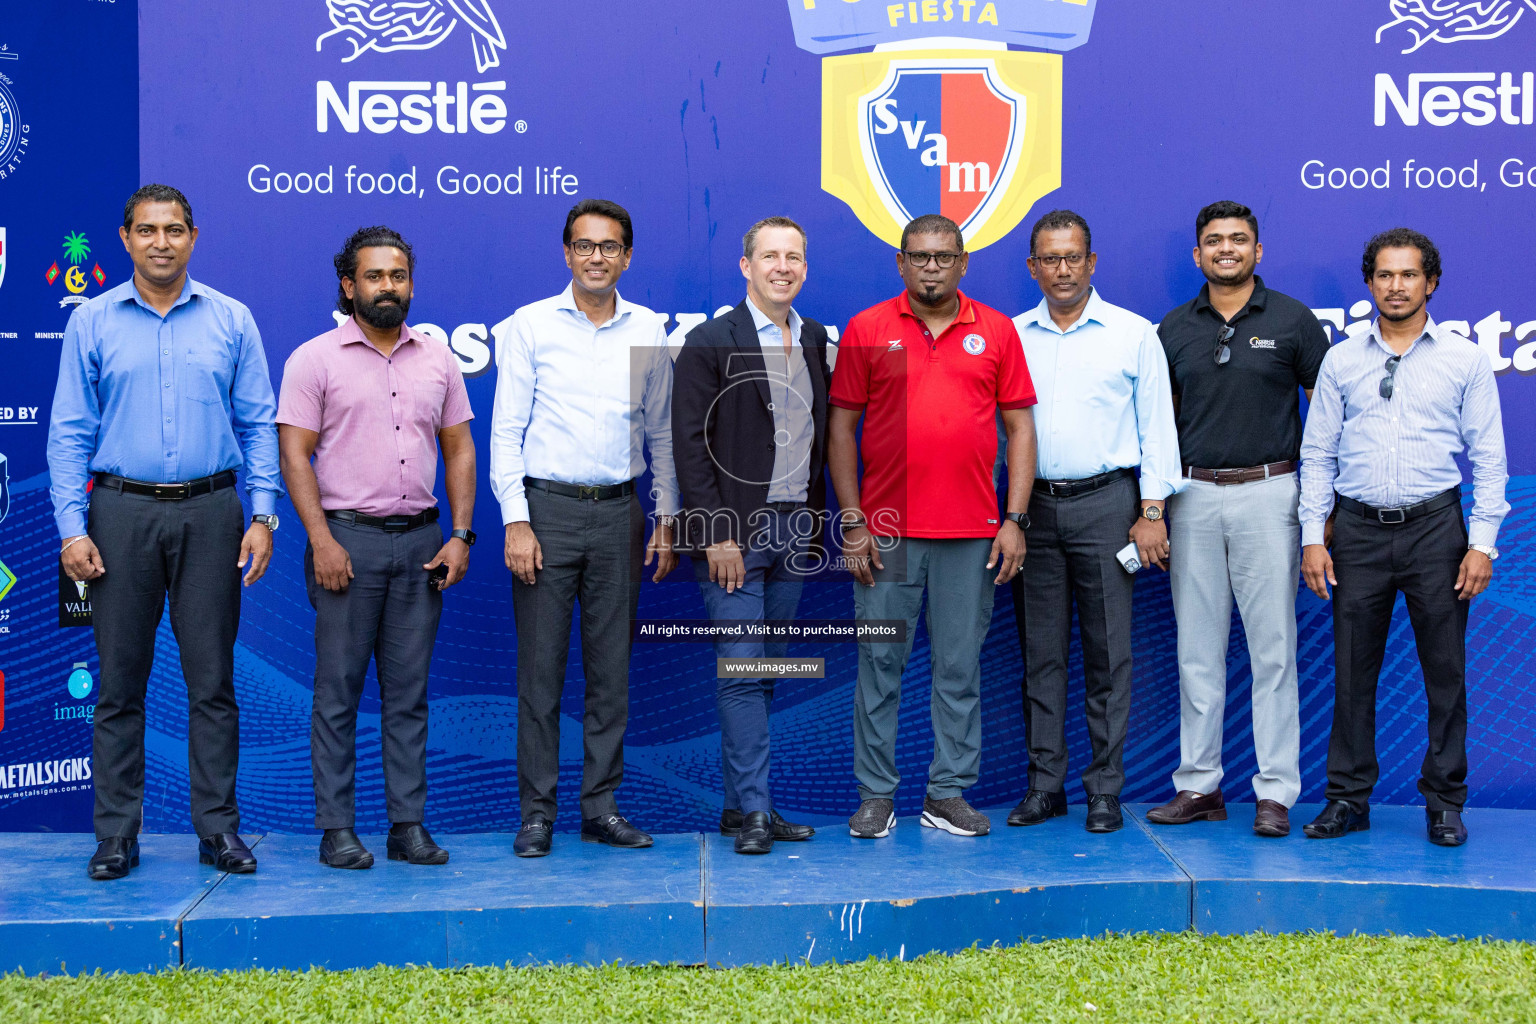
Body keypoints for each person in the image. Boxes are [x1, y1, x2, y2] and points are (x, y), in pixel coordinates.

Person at [49, 184, 280, 880]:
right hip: (119, 514)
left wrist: (263, 513)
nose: (160, 242)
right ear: (124, 239)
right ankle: (117, 835)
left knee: (212, 683)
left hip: (213, 513)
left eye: (173, 230)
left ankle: (219, 831)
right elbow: (67, 434)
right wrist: (71, 528)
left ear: (193, 237)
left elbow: (258, 424)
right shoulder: (91, 321)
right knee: (120, 685)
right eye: (146, 230)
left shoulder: (231, 320)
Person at [829, 213, 1037, 840]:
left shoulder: (997, 331)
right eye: (918, 256)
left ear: (963, 262)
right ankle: (875, 797)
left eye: (943, 256)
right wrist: (853, 521)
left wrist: (1015, 520)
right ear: (900, 263)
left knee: (958, 670)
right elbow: (842, 428)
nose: (930, 267)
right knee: (879, 669)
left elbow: (1020, 428)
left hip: (972, 532)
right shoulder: (868, 328)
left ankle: (947, 793)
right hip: (885, 535)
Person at [1299, 228, 1507, 847]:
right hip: (1357, 533)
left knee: (1445, 674)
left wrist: (1483, 542)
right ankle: (1347, 799)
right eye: (1384, 275)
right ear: (1370, 284)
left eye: (1409, 275)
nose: (1396, 286)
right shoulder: (1341, 360)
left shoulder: (1464, 359)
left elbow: (1490, 459)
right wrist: (1314, 535)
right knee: (1352, 673)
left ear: (1431, 283)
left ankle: (1444, 802)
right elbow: (1317, 454)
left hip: (1438, 532)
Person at [278, 226, 476, 870]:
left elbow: (459, 450)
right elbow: (295, 454)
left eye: (397, 276)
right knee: (338, 691)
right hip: (346, 542)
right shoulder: (314, 359)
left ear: (410, 284)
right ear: (348, 284)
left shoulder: (438, 359)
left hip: (421, 542)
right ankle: (337, 828)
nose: (387, 287)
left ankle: (406, 826)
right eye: (374, 276)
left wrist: (460, 534)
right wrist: (321, 540)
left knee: (408, 693)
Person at [490, 199, 679, 858]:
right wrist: (516, 521)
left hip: (620, 516)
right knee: (540, 677)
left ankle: (600, 807)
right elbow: (506, 431)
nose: (596, 256)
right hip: (547, 515)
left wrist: (665, 515)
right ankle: (536, 814)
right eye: (584, 245)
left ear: (627, 256)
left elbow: (660, 431)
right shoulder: (530, 326)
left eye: (610, 246)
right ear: (566, 253)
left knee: (611, 674)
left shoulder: (647, 327)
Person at [1147, 201, 1330, 838]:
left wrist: (1318, 511)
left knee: (1273, 652)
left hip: (1270, 494)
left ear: (1258, 250)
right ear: (1197, 255)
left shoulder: (1294, 322)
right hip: (1192, 497)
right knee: (1196, 651)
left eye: (1240, 239)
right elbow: (1156, 427)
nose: (1227, 249)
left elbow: (1328, 418)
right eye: (1215, 241)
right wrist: (1155, 507)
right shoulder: (1171, 329)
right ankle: (1199, 786)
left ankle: (1275, 791)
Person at [1007, 209, 1181, 835]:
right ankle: (1045, 786)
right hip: (1033, 510)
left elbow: (1159, 431)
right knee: (1041, 654)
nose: (1061, 269)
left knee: (1109, 656)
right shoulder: (1011, 336)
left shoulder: (1133, 334)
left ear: (1092, 262)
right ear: (1033, 267)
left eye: (1072, 257)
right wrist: (1012, 515)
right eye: (1049, 259)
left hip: (1110, 506)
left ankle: (1104, 789)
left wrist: (1152, 510)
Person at [672, 216, 829, 855]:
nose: (782, 267)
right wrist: (715, 534)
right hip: (734, 534)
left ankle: (744, 809)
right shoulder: (710, 340)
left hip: (796, 530)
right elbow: (689, 444)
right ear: (746, 266)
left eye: (794, 257)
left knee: (764, 673)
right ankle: (758, 813)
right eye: (770, 256)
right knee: (742, 670)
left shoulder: (815, 338)